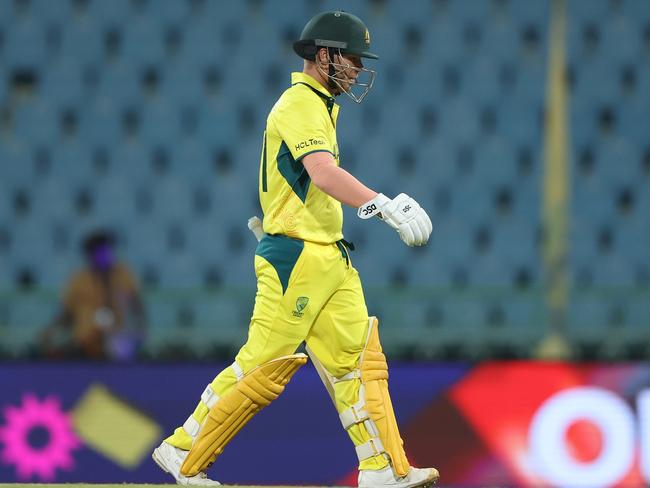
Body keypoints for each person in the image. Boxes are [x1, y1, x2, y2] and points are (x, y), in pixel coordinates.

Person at [152, 11, 438, 488]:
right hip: (296, 257)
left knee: (357, 363)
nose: (355, 68)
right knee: (262, 366)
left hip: (331, 255)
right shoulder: (300, 102)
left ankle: (382, 469)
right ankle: (182, 451)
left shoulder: (323, 104)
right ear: (322, 55)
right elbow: (322, 172)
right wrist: (383, 206)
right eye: (349, 57)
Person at [41, 229, 146, 360]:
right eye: (99, 252)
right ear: (89, 255)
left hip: (117, 344)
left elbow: (137, 307)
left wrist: (140, 333)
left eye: (107, 251)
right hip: (85, 343)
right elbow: (66, 314)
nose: (105, 256)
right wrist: (51, 331)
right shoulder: (78, 279)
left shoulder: (123, 274)